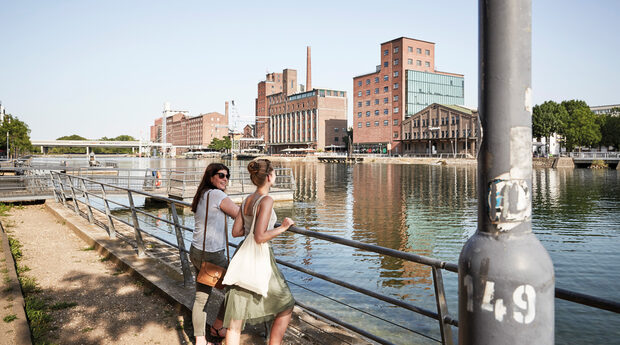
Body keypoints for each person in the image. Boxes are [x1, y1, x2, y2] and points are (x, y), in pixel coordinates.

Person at [224, 159, 295, 345]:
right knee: (286, 304)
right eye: (274, 172)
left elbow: (236, 232)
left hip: (242, 257)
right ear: (269, 176)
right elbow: (260, 237)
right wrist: (283, 227)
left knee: (235, 319)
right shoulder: (267, 200)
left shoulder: (247, 199)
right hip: (260, 257)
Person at [190, 163, 240, 345]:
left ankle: (200, 340)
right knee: (236, 289)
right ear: (211, 177)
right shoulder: (218, 194)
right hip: (212, 254)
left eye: (227, 176)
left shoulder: (202, 194)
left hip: (196, 251)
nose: (225, 179)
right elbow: (238, 213)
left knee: (201, 297)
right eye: (221, 175)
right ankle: (218, 326)